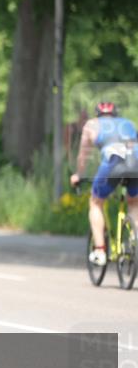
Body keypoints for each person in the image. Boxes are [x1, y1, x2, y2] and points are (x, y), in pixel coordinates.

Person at [70, 102, 138, 266]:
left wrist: (79, 175)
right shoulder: (128, 123)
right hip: (136, 162)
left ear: (97, 114)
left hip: (113, 163)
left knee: (95, 202)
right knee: (134, 203)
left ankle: (100, 250)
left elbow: (83, 155)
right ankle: (135, 239)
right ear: (116, 114)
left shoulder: (91, 125)